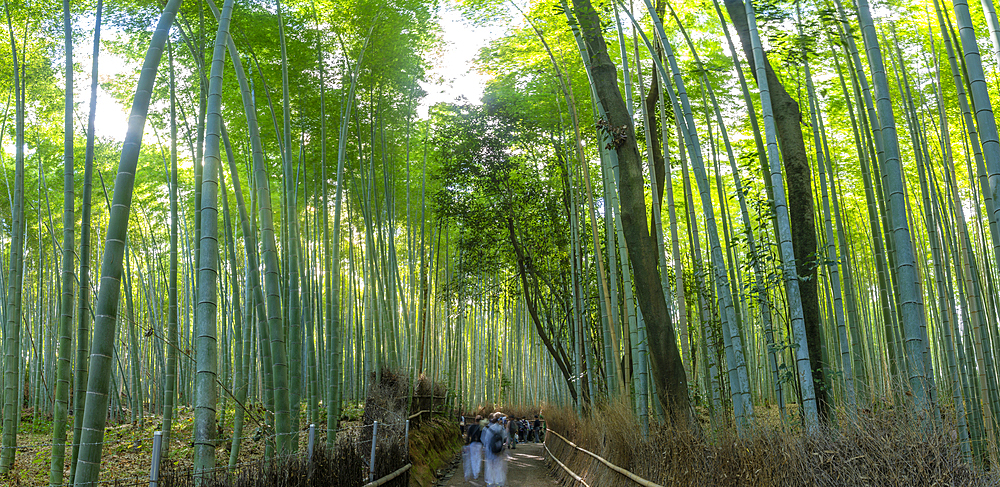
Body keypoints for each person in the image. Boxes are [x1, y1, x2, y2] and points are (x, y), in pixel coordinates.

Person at [481, 413, 508, 487]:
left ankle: (490, 482)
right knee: (498, 467)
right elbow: (504, 439)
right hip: (498, 451)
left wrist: (486, 448)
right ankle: (498, 482)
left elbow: (484, 440)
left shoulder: (486, 429)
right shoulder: (501, 429)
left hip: (489, 451)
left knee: (489, 467)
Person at [463, 415, 484, 481]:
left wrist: (467, 443)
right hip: (479, 444)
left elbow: (468, 435)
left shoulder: (471, 426)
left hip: (472, 444)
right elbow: (484, 437)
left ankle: (475, 472)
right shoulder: (482, 427)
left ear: (475, 420)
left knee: (473, 458)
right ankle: (476, 472)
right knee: (478, 458)